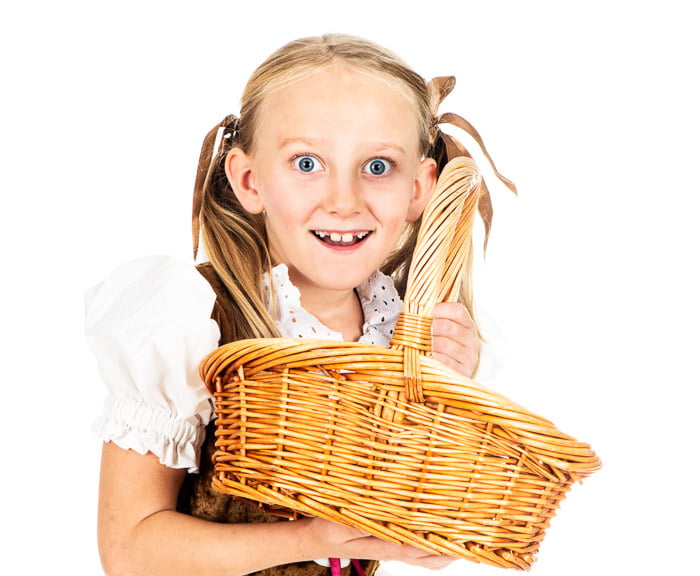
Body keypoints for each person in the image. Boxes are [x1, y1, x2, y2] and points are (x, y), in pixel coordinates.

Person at [86, 34, 515, 576]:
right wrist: (311, 536)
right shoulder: (195, 322)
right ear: (249, 180)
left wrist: (444, 399)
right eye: (307, 163)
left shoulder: (411, 331)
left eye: (378, 166)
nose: (343, 200)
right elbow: (128, 551)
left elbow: (431, 540)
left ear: (419, 189)